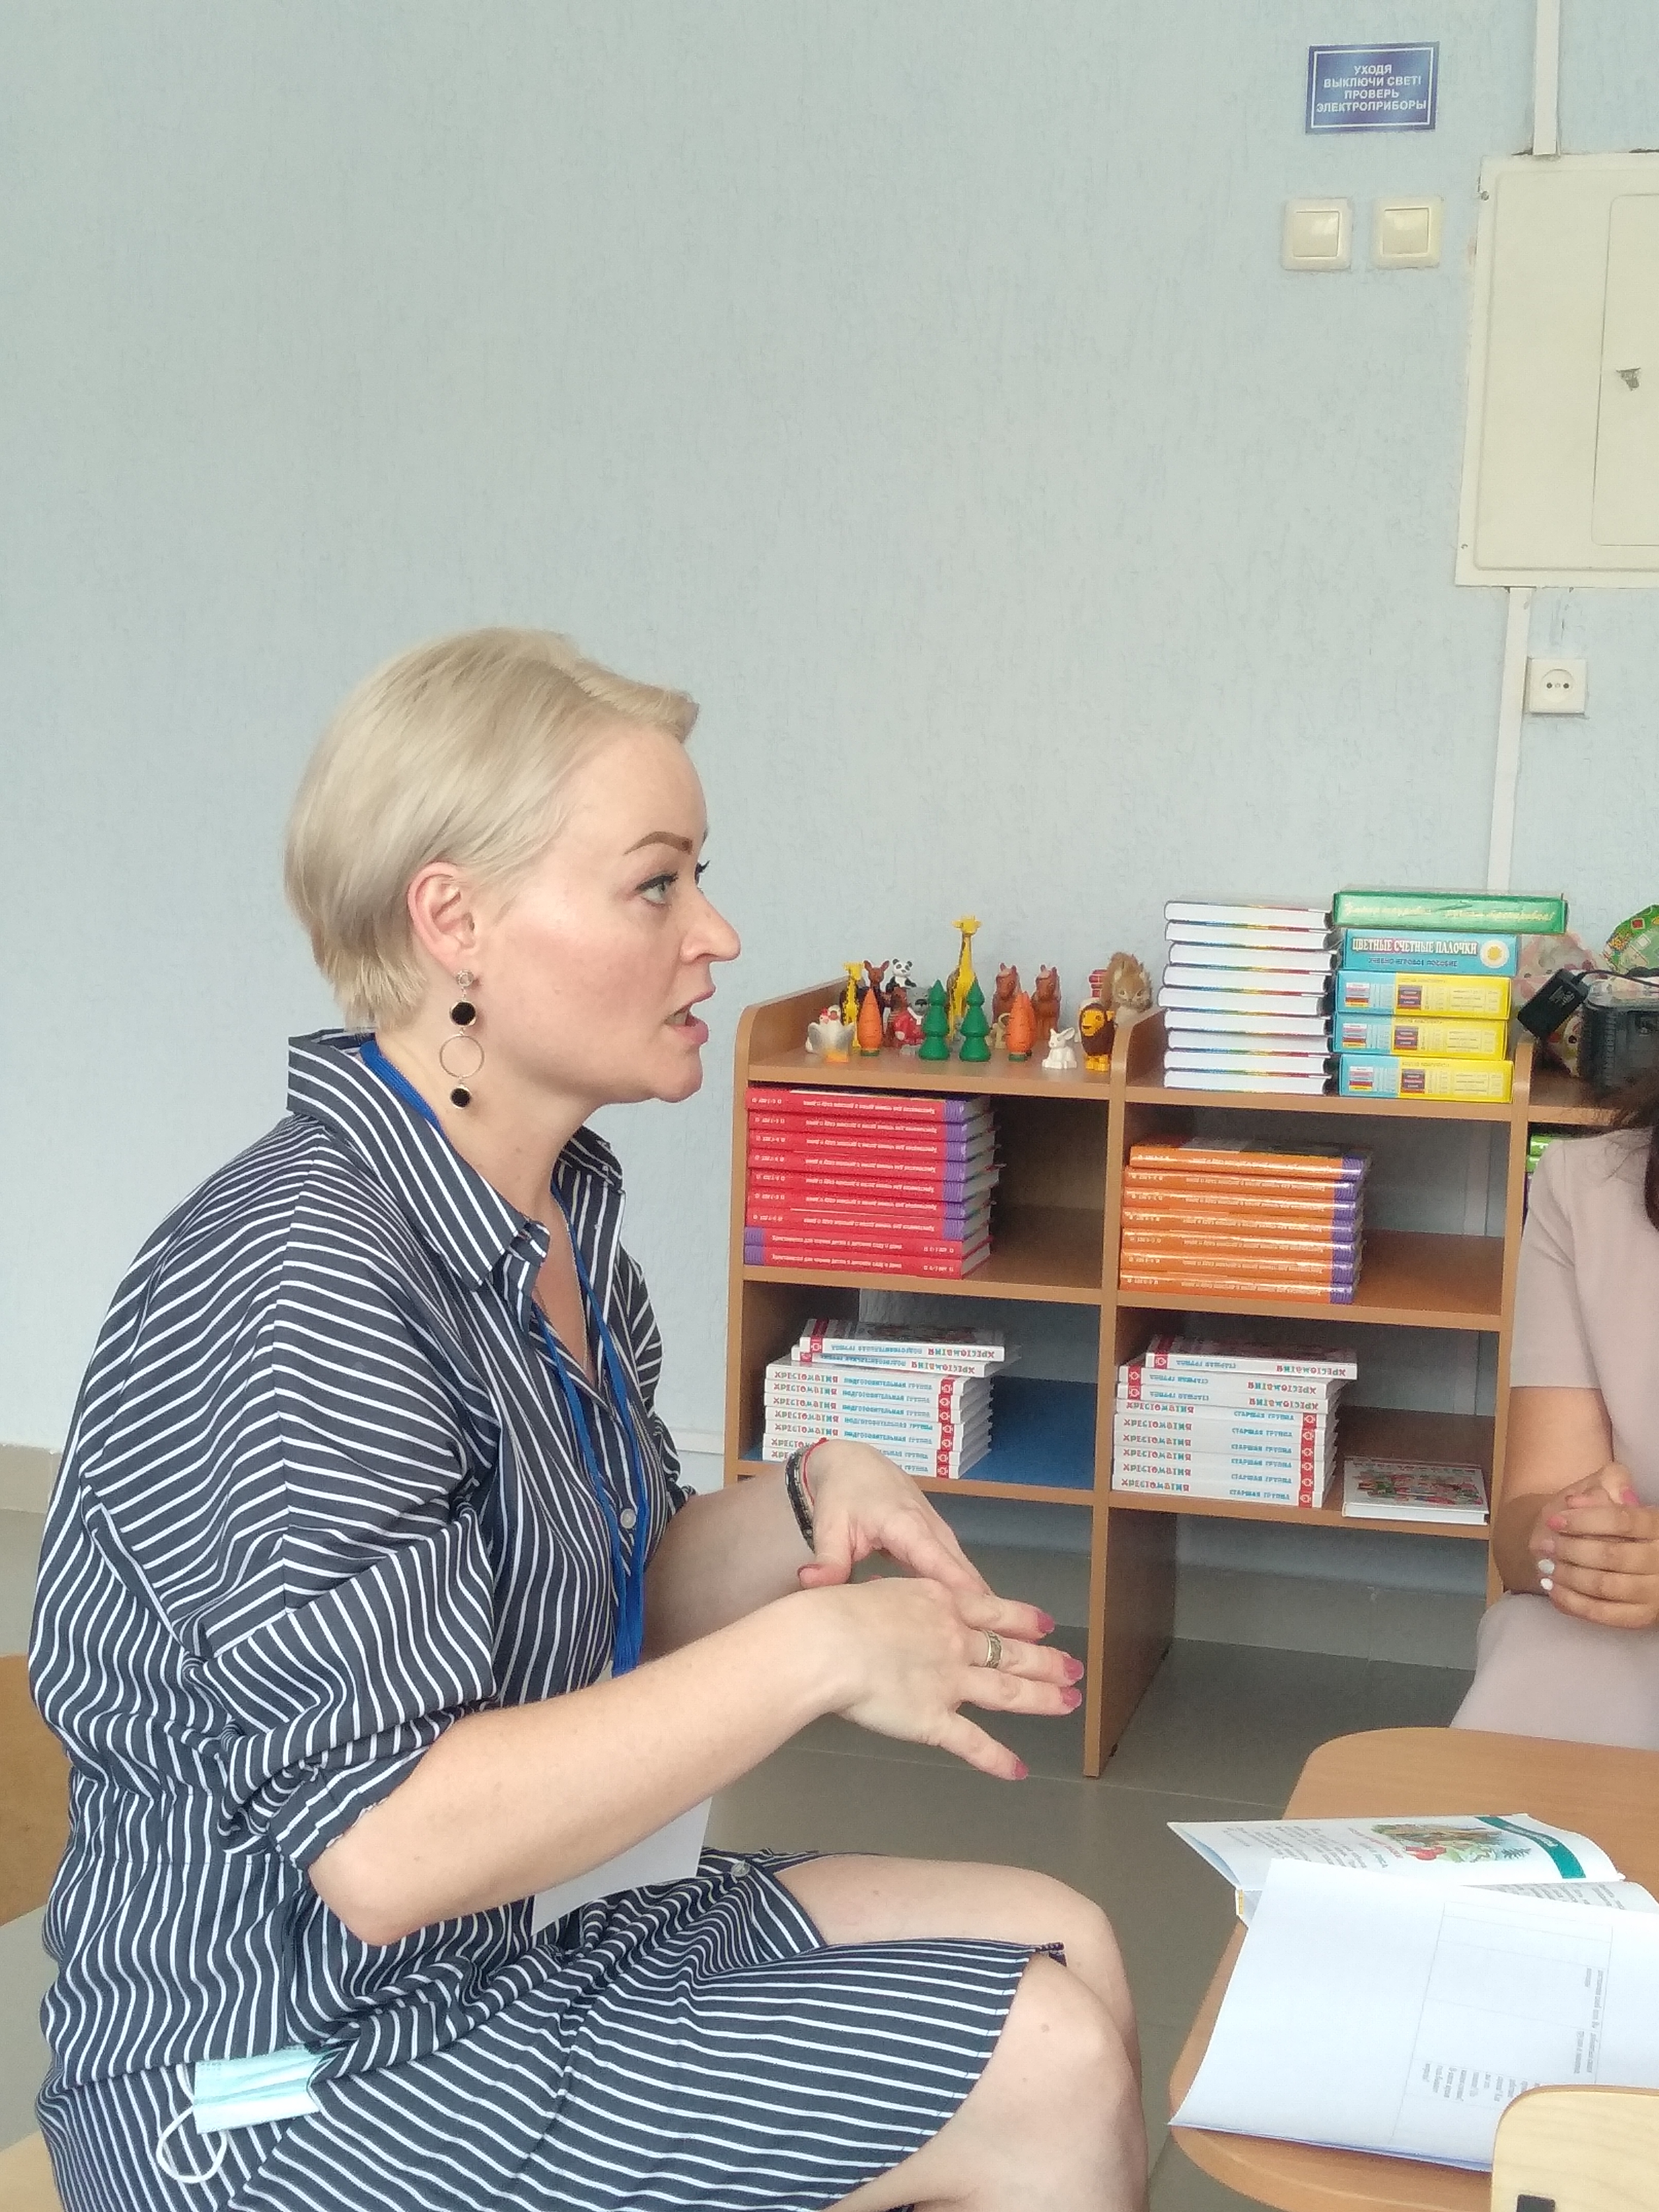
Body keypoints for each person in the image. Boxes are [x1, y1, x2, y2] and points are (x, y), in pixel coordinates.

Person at [29, 629, 1146, 2212]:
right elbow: (391, 1848)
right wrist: (819, 1652)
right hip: (272, 2079)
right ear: (455, 923)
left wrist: (804, 1498)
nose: (715, 935)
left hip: (519, 1943)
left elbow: (597, 1607)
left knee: (1065, 1939)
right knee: (1042, 2058)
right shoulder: (304, 1279)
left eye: (700, 879)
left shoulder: (558, 1226)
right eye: (654, 884)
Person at [1452, 1077, 1659, 1749]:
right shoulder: (1588, 1188)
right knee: (1540, 1670)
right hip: (1620, 1643)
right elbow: (1521, 1539)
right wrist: (1567, 1544)